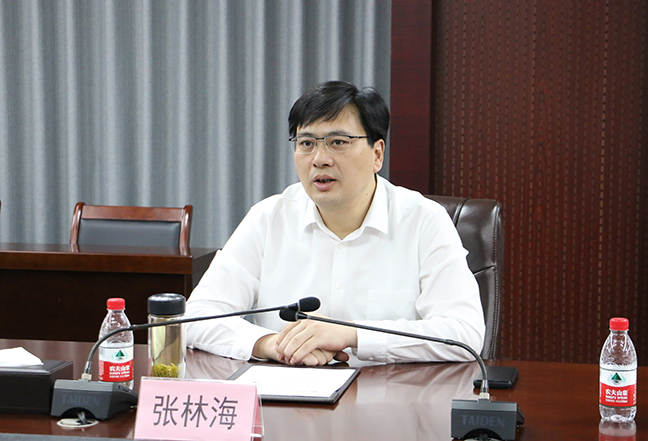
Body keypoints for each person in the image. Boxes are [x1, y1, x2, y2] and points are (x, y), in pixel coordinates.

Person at [185, 80, 485, 366]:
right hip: (289, 393)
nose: (319, 159)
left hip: (391, 395)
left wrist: (352, 334)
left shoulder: (424, 221)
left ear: (377, 154)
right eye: (306, 143)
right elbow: (195, 317)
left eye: (338, 142)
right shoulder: (268, 218)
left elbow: (465, 333)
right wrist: (272, 344)